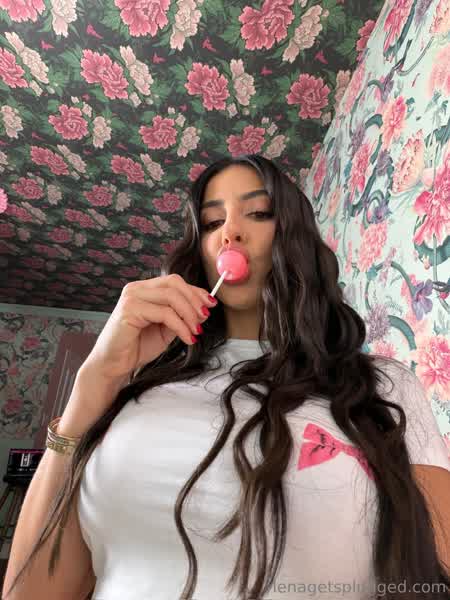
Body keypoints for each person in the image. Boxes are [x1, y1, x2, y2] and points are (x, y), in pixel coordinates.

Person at [3, 154, 449, 600]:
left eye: (258, 213)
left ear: (296, 237)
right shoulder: (137, 385)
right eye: (212, 222)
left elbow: (435, 572)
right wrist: (95, 380)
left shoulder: (381, 386)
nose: (229, 232)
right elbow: (30, 594)